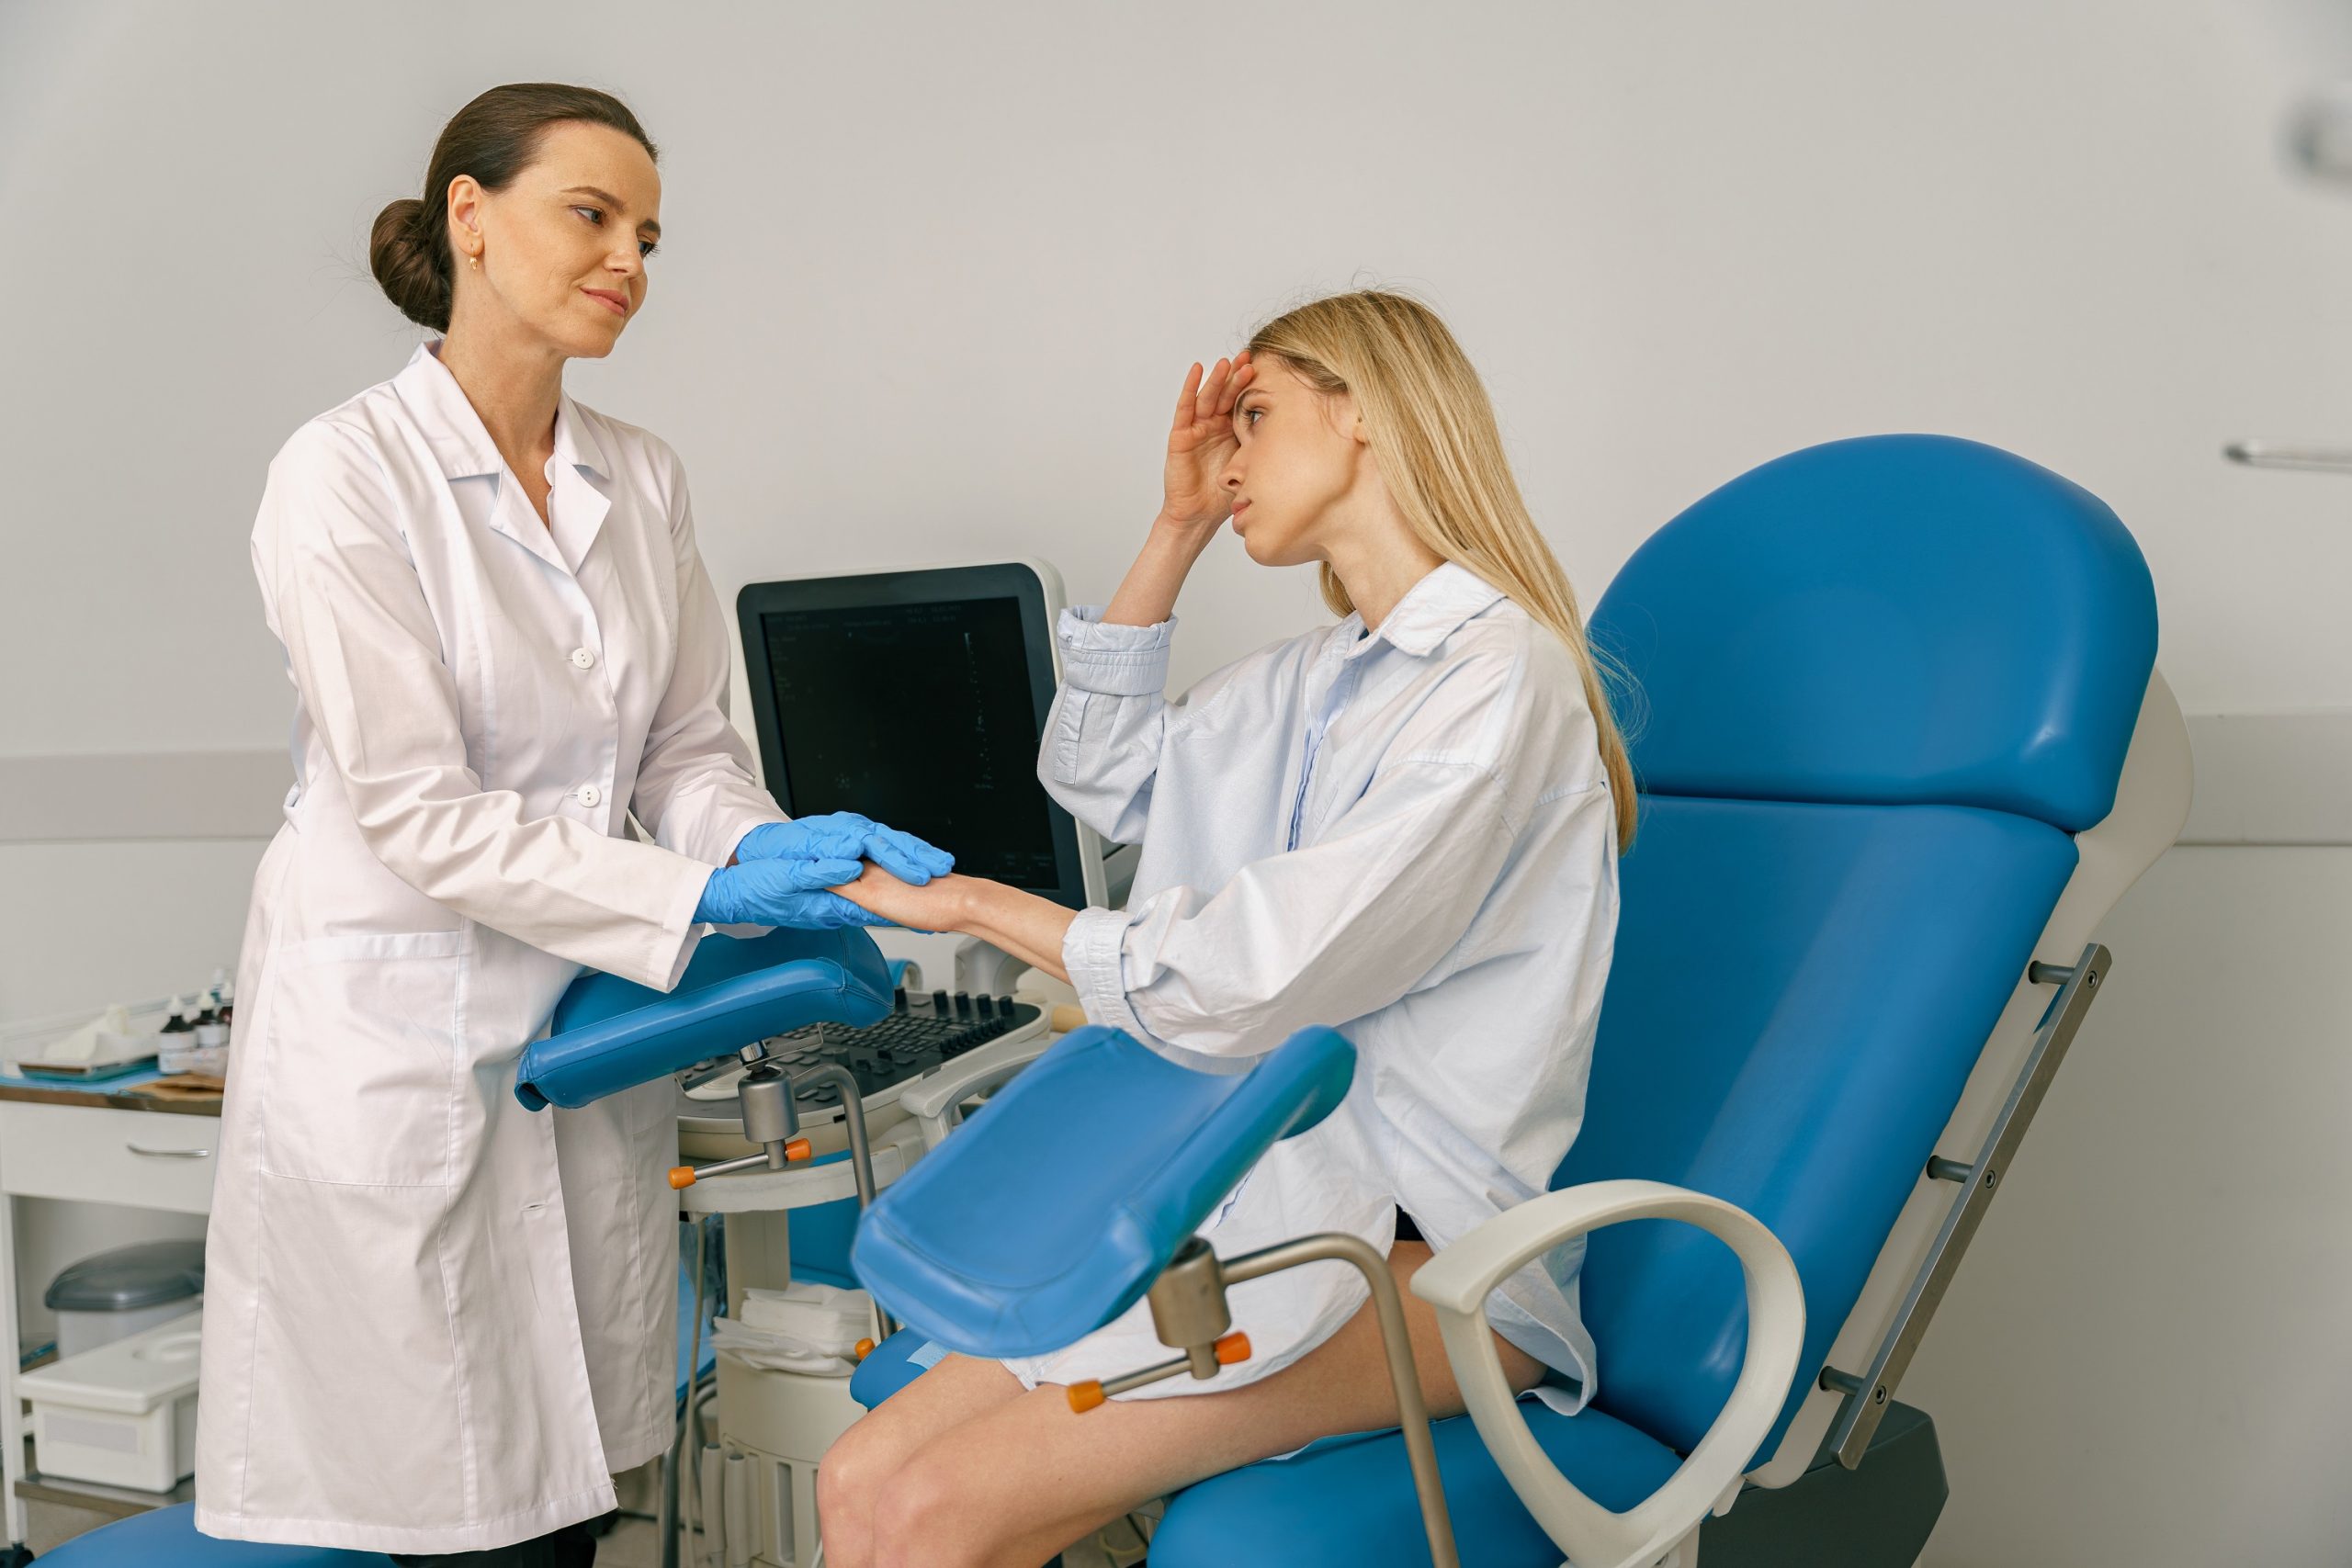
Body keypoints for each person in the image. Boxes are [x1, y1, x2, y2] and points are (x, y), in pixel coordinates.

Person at [193, 84, 948, 1565]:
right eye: (591, 216)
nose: (628, 262)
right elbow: (419, 811)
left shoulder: (640, 475)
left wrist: (745, 840)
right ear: (471, 219)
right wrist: (698, 899)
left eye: (648, 237)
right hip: (399, 1038)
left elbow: (684, 747)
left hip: (585, 1035)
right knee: (457, 1512)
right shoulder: (343, 472)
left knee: (576, 1500)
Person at [815, 290, 1639, 1567]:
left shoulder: (1495, 681)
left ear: (1361, 412)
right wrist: (1180, 524)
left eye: (1253, 417)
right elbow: (1095, 767)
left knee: (931, 1511)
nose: (1229, 454)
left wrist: (975, 903)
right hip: (1260, 1212)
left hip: (1427, 1258)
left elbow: (1263, 971)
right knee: (860, 1478)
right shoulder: (1320, 679)